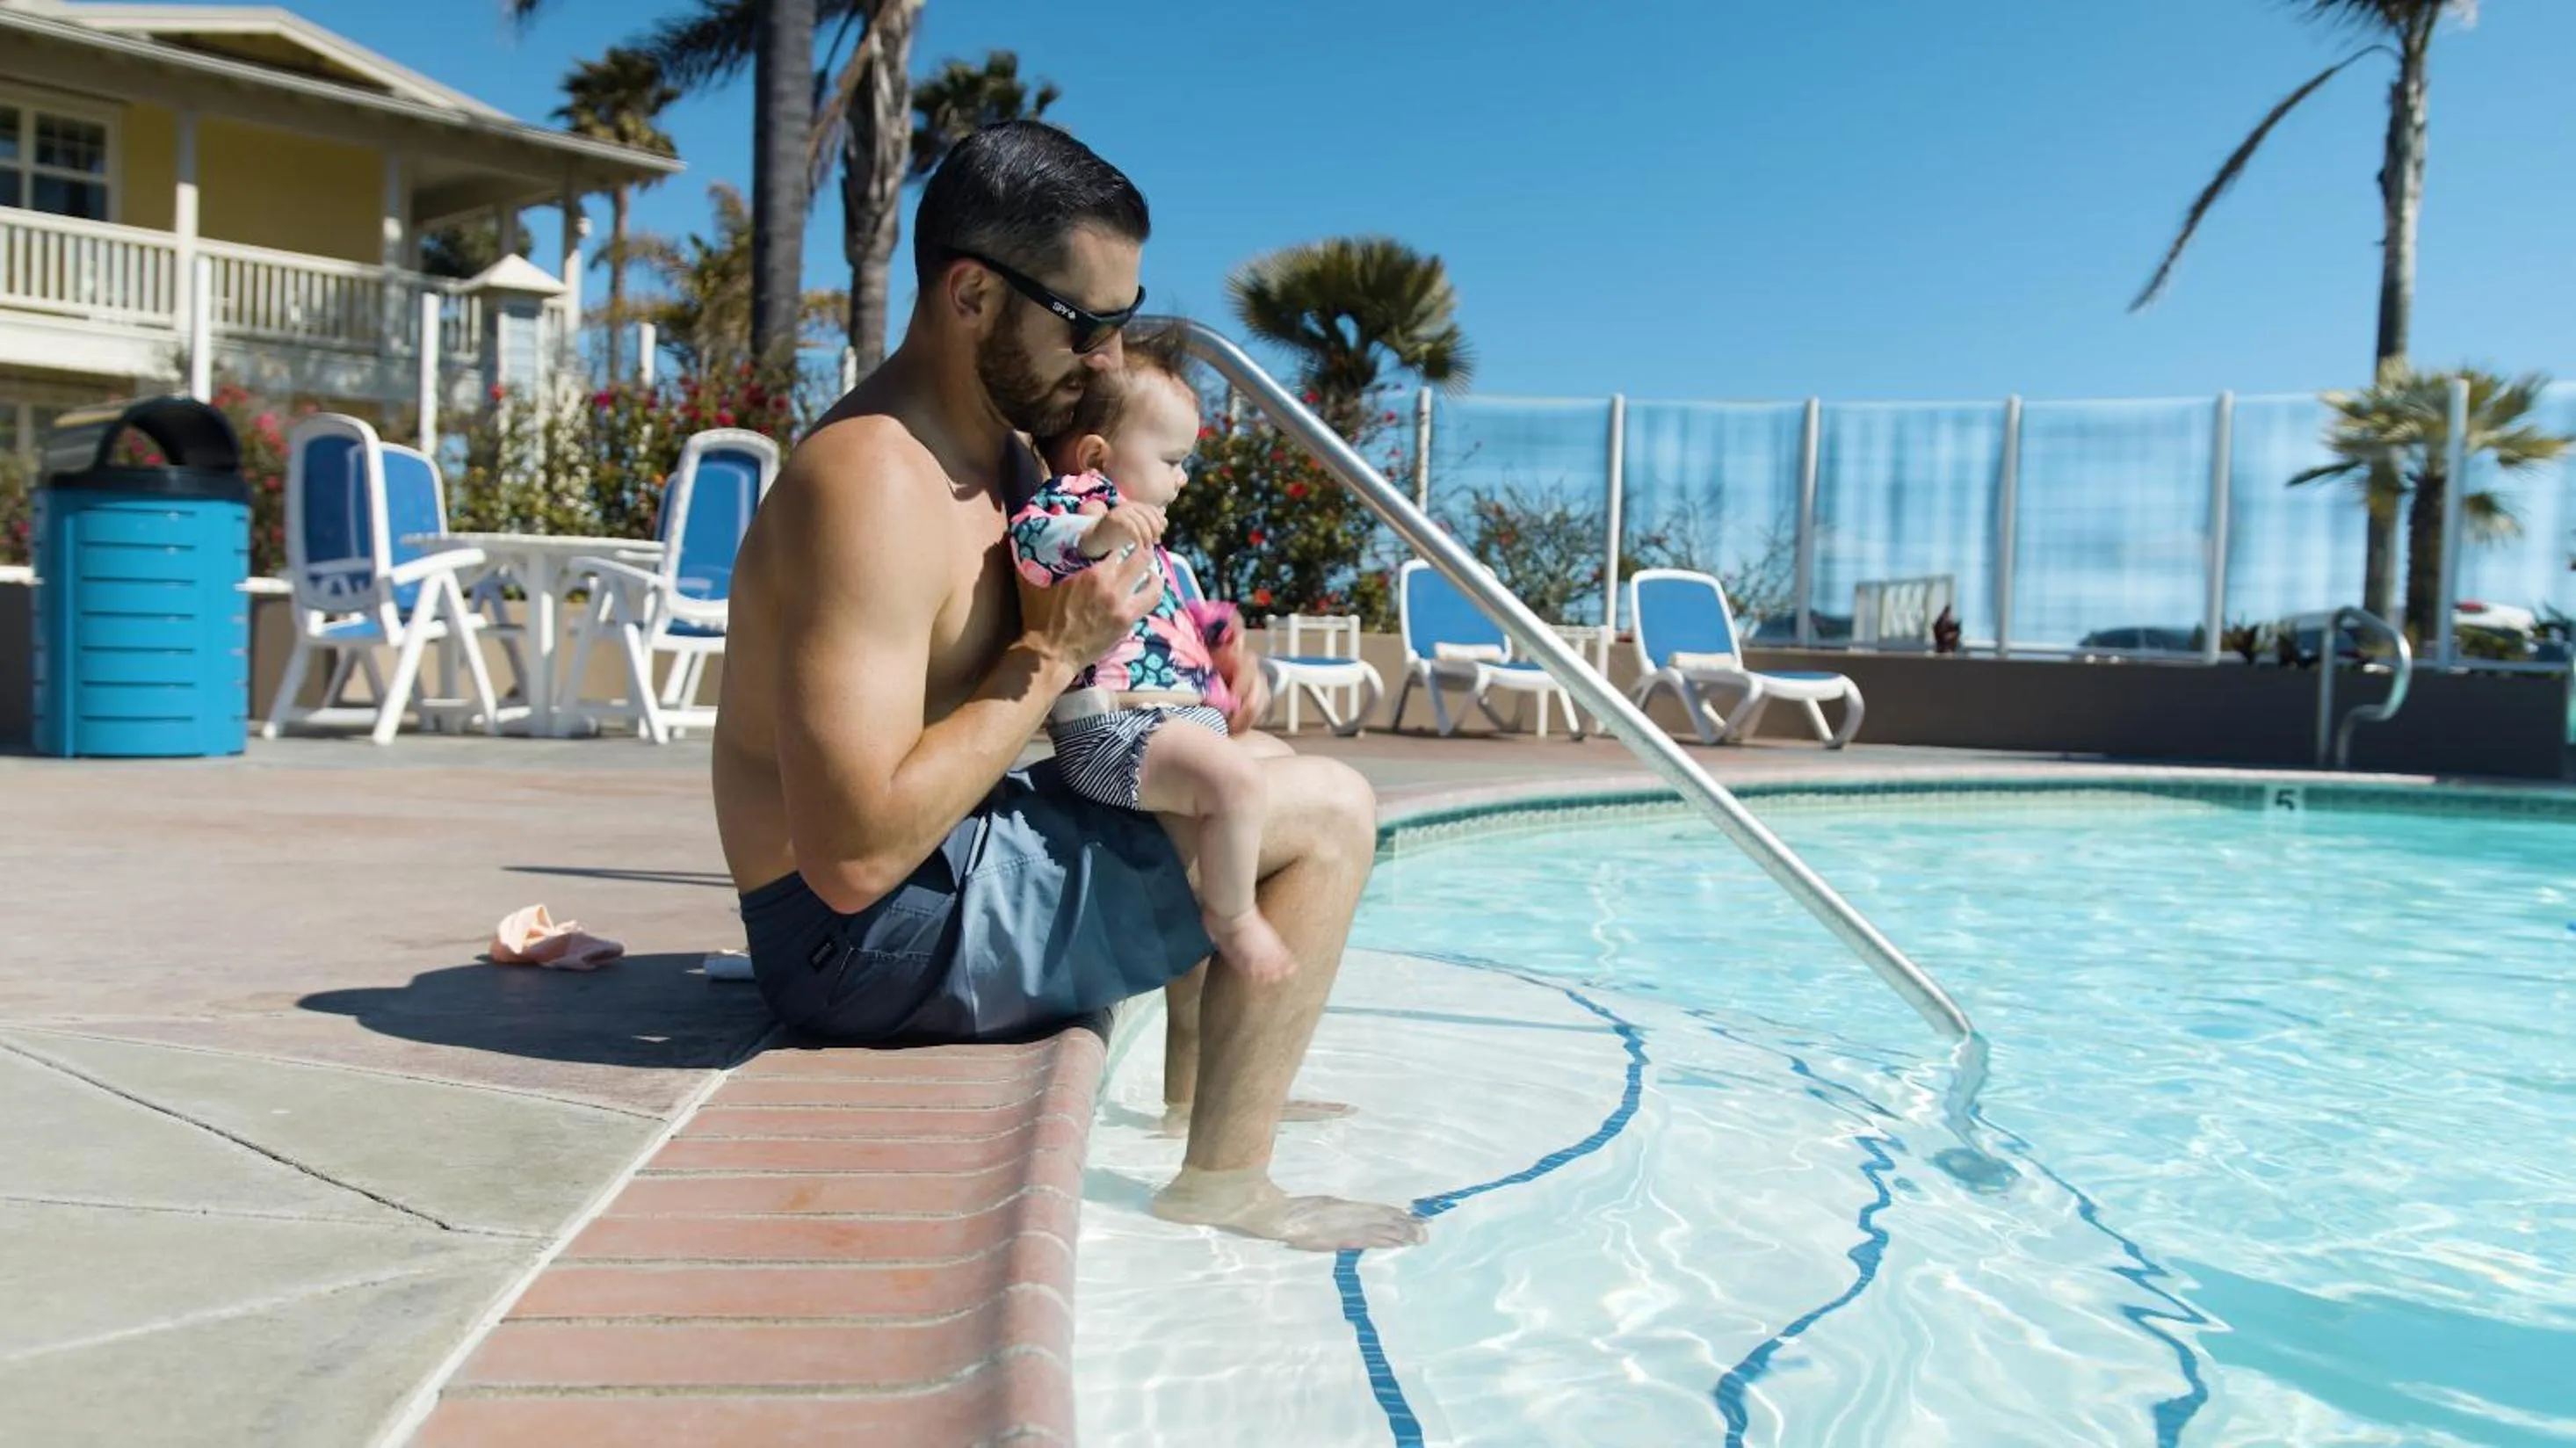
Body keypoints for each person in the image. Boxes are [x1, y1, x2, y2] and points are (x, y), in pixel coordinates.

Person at [710, 120, 1423, 1252]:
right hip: (861, 946)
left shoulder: (1002, 457)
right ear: (972, 296)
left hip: (941, 866)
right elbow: (849, 863)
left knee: (1259, 769)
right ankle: (1225, 1185)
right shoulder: (873, 486)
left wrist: (1172, 662)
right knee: (1328, 814)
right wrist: (1049, 654)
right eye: (1086, 326)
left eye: (1121, 326)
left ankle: (1202, 1092)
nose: (1107, 361)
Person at [1012, 329, 1301, 988]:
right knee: (1238, 783)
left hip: (1178, 726)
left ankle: (1219, 886)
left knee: (1283, 763)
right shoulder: (1069, 513)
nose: (1183, 476)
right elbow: (1033, 546)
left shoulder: (1170, 561)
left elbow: (1201, 629)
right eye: (1171, 459)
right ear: (1096, 457)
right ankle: (1231, 916)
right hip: (1115, 732)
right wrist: (1097, 532)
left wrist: (1234, 665)